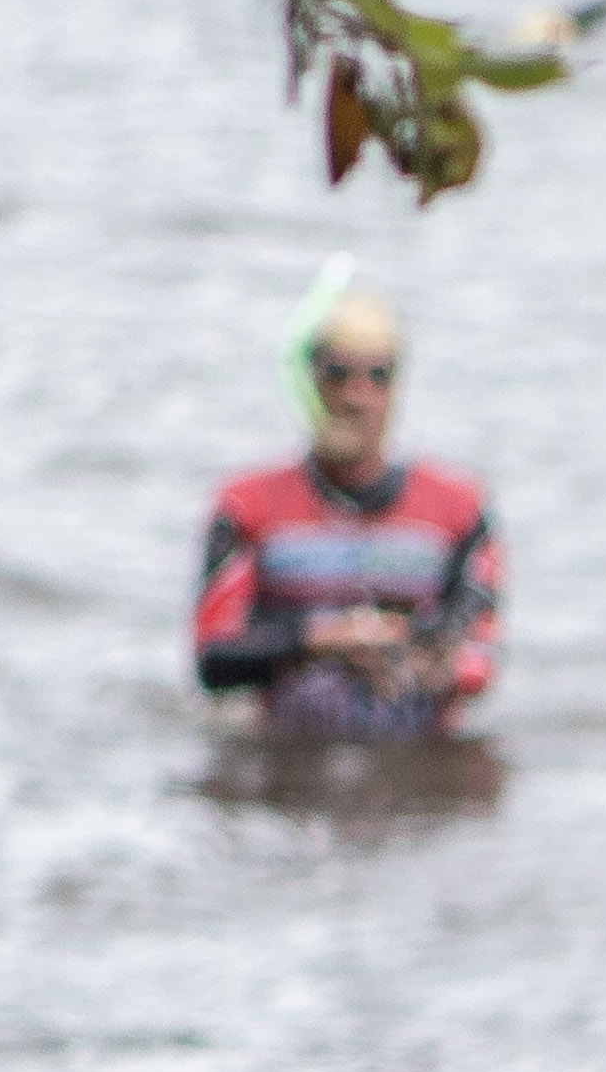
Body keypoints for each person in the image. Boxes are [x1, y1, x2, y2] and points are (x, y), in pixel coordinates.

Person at [190, 285, 502, 742]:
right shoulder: (246, 506)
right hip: (288, 754)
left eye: (378, 375)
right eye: (337, 373)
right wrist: (319, 641)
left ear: (397, 386)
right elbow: (214, 658)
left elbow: (482, 658)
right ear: (309, 380)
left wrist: (417, 659)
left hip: (417, 755)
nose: (357, 396)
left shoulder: (459, 508)